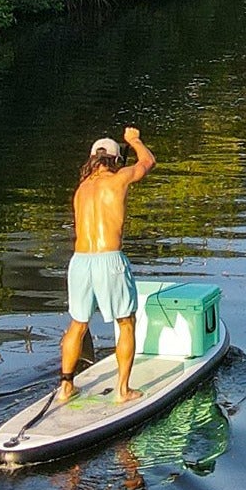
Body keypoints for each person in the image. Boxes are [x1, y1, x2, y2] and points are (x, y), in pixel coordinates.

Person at [59, 127, 156, 402]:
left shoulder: (81, 190)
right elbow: (148, 162)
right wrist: (134, 141)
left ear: (93, 158)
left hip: (80, 262)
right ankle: (123, 390)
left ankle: (66, 386)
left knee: (78, 324)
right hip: (108, 259)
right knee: (126, 322)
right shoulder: (119, 179)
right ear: (115, 160)